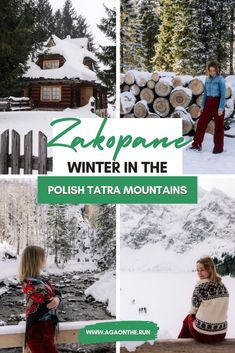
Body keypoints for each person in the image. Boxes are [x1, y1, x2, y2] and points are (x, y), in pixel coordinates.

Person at [19, 245, 62, 353]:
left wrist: (57, 298)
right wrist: (57, 299)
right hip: (38, 329)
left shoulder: (40, 279)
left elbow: (55, 294)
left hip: (44, 327)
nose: (45, 260)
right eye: (43, 257)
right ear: (36, 260)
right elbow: (50, 302)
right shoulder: (31, 283)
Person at [178, 256, 229, 343]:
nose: (199, 273)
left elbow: (193, 310)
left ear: (210, 269)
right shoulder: (222, 285)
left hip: (202, 334)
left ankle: (178, 345)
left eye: (202, 270)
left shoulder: (200, 286)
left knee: (188, 318)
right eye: (197, 270)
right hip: (221, 334)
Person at [191, 61, 226, 154]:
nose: (212, 72)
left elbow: (223, 95)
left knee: (218, 127)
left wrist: (220, 108)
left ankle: (218, 148)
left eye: (214, 71)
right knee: (201, 124)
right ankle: (196, 144)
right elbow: (205, 94)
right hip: (208, 103)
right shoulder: (207, 79)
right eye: (210, 71)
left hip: (217, 102)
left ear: (216, 70)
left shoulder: (220, 79)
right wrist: (202, 106)